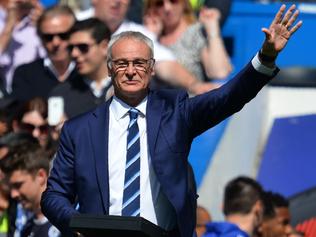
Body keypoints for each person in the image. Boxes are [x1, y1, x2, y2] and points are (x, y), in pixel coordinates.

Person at [41, 5, 302, 237]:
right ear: (109, 68)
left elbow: (228, 97)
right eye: (121, 64)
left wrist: (266, 57)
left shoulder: (175, 113)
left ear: (153, 68)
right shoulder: (79, 130)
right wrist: (75, 224)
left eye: (139, 63)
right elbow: (54, 195)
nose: (131, 71)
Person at [92, 0, 215, 95]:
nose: (117, 1)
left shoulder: (139, 32)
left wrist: (193, 84)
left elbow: (164, 63)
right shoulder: (76, 24)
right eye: (159, 3)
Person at [143, 0, 232, 82]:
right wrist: (150, 36)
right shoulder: (151, 37)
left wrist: (213, 29)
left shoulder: (195, 33)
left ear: (184, 3)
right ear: (152, 9)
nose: (167, 8)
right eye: (159, 3)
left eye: (173, 0)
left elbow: (220, 73)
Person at [11, 4, 77, 103]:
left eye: (63, 35)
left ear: (76, 34)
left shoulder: (88, 72)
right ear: (40, 37)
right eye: (48, 37)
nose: (56, 43)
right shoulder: (25, 75)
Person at [49, 18, 112, 119]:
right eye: (71, 48)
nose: (74, 54)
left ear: (105, 47)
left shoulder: (131, 88)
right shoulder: (60, 95)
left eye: (83, 47)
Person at [0, 146, 60, 237]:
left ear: (41, 176)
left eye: (18, 185)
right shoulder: (26, 229)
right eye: (11, 187)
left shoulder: (65, 222)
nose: (13, 194)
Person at [0, 0, 45, 93]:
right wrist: (8, 27)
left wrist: (45, 24)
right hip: (7, 98)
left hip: (38, 93)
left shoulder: (37, 19)